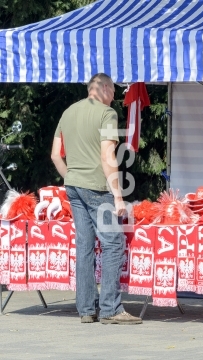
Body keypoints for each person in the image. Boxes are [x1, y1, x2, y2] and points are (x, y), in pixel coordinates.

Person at [51, 73, 142, 325]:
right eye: (113, 92)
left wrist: (71, 177)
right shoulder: (106, 114)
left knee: (85, 245)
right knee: (114, 243)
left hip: (74, 187)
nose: (114, 98)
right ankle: (111, 308)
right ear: (102, 88)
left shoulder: (68, 112)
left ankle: (86, 310)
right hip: (97, 187)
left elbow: (55, 155)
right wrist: (118, 196)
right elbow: (107, 156)